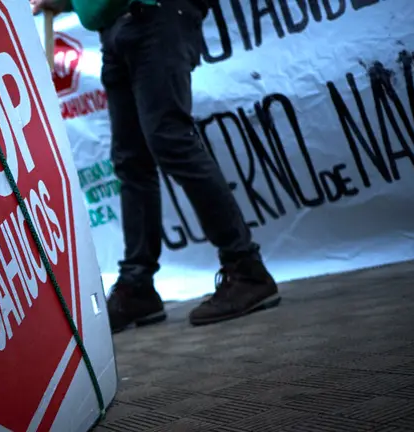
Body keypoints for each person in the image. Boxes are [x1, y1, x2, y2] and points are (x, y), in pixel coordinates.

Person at [31, 0, 281, 331]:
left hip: (153, 13)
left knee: (170, 141)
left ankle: (247, 269)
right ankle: (137, 288)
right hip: (116, 27)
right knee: (131, 161)